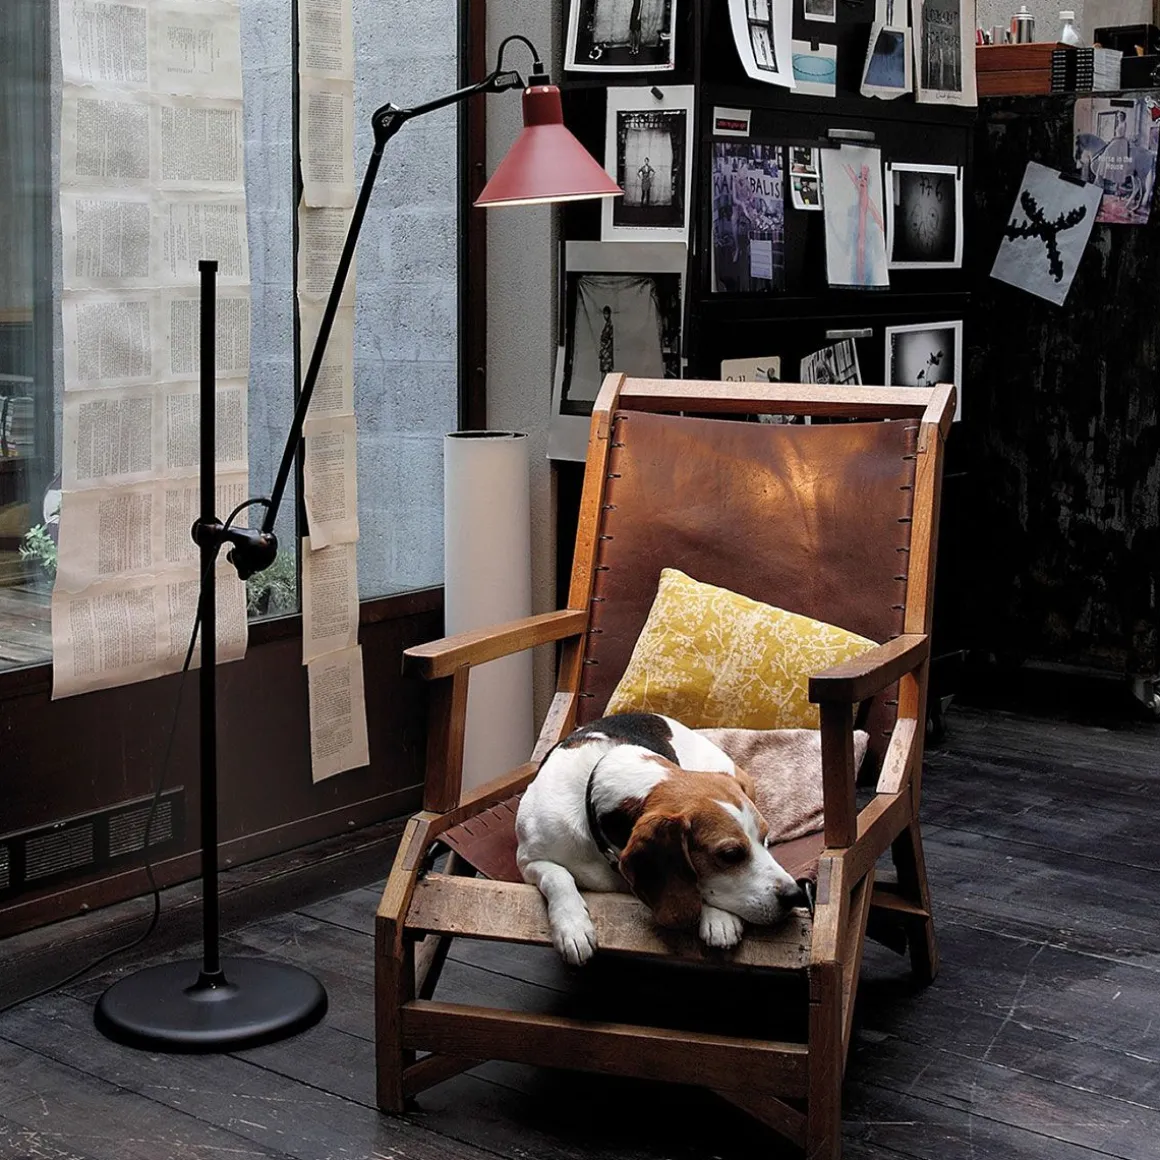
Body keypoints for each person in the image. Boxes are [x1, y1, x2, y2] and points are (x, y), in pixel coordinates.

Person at [599, 306, 614, 374]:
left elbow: (610, 340)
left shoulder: (610, 326)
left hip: (607, 353)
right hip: (604, 352)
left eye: (606, 314)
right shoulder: (606, 325)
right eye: (604, 314)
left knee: (607, 372)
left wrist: (604, 350)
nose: (605, 316)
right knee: (603, 371)